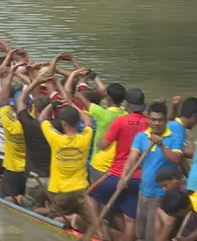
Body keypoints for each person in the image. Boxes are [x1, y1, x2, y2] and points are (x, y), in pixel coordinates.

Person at [85, 88, 150, 241]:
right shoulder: (149, 123)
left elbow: (104, 144)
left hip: (118, 174)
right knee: (129, 219)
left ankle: (100, 232)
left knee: (89, 195)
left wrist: (99, 141)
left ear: (127, 103)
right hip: (140, 177)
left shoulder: (120, 121)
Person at [119, 101, 183, 241]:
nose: (156, 123)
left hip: (161, 195)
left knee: (152, 236)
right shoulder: (141, 137)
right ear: (148, 119)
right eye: (153, 119)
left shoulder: (174, 138)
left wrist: (160, 144)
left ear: (166, 120)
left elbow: (176, 160)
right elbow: (132, 158)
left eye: (160, 120)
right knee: (140, 233)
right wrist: (124, 176)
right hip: (144, 192)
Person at [39, 103, 93, 231]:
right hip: (81, 189)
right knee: (90, 222)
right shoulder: (85, 137)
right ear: (77, 122)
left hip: (61, 191)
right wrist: (74, 105)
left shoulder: (56, 138)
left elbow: (42, 118)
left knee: (52, 220)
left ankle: (70, 218)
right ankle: (76, 220)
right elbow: (88, 121)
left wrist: (52, 104)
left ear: (63, 123)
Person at [77, 77, 128, 183]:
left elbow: (81, 96)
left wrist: (102, 94)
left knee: (94, 194)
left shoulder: (102, 113)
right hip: (117, 163)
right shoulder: (126, 114)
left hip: (98, 163)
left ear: (108, 97)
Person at [16, 73, 54, 213]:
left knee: (30, 210)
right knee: (51, 208)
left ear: (35, 110)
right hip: (53, 178)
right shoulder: (57, 126)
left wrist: (36, 81)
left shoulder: (28, 124)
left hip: (34, 178)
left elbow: (20, 100)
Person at [0, 64, 27, 202]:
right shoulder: (34, 123)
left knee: (3, 200)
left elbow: (3, 99)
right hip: (30, 172)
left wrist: (8, 76)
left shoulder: (10, 123)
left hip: (13, 171)